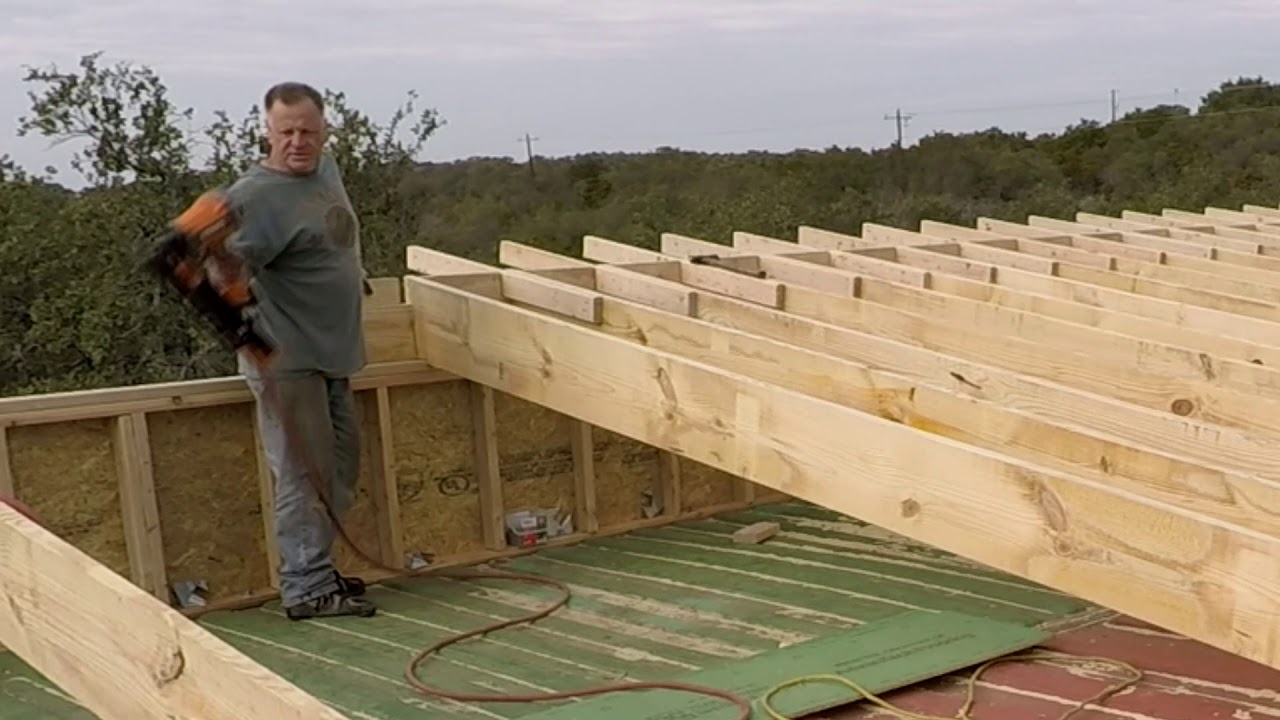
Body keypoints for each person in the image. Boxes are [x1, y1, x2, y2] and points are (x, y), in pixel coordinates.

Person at [223, 81, 376, 620]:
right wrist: (252, 338)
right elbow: (201, 266)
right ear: (266, 131)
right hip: (288, 358)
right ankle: (306, 588)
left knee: (337, 467)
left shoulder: (325, 170)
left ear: (325, 130)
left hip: (331, 350)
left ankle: (318, 568)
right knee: (302, 472)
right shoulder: (255, 196)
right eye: (285, 132)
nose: (297, 142)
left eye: (308, 131)